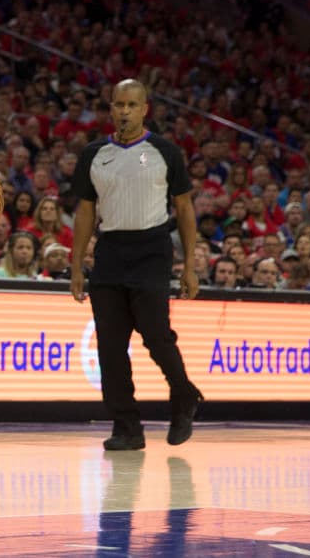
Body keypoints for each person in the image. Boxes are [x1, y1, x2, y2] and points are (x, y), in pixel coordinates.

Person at [70, 79, 203, 451]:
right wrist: (77, 265)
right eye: (118, 104)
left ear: (145, 109)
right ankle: (127, 426)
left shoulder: (164, 151)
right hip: (110, 251)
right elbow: (84, 211)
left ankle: (184, 396)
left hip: (152, 249)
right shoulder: (94, 154)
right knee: (110, 347)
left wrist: (190, 264)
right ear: (110, 109)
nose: (124, 111)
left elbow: (185, 209)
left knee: (157, 336)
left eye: (131, 104)